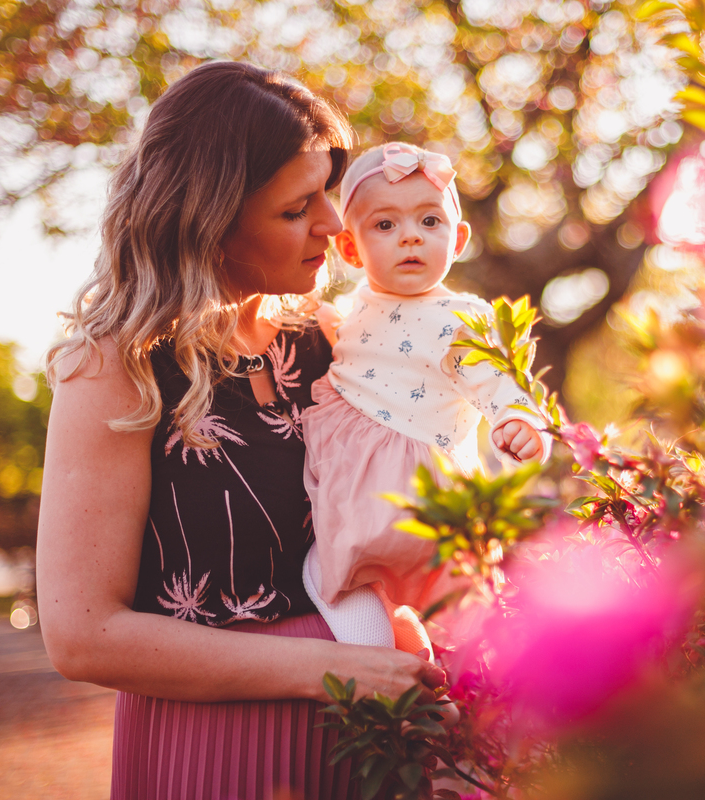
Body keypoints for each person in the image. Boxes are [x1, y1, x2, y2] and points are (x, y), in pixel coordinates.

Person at [36, 63, 445, 800]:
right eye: (297, 209)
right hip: (213, 747)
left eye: (328, 190)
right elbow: (82, 632)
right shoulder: (113, 368)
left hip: (372, 732)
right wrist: (332, 672)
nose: (331, 222)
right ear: (210, 222)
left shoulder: (336, 342)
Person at [300, 142, 551, 653]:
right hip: (377, 512)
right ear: (351, 249)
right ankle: (410, 663)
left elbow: (500, 384)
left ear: (456, 239)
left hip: (409, 504)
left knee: (455, 624)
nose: (410, 235)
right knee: (407, 621)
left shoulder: (461, 318)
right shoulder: (349, 312)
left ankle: (436, 694)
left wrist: (520, 421)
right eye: (385, 226)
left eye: (429, 222)